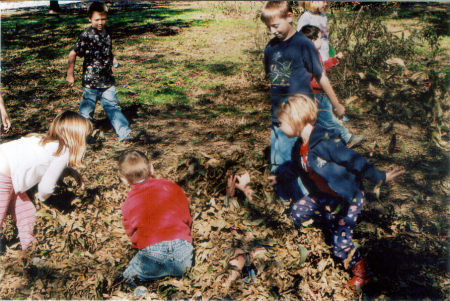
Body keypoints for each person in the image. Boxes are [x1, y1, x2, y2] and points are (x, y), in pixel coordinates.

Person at [268, 94, 404, 288]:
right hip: (325, 195)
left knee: (341, 242)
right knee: (298, 211)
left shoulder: (325, 142)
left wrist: (380, 176)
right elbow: (298, 167)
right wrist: (279, 177)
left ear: (295, 120)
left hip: (347, 197)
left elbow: (354, 160)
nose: (279, 127)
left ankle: (361, 273)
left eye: (282, 122)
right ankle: (322, 232)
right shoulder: (299, 147)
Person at [261, 1, 345, 204]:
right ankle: (284, 198)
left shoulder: (303, 44)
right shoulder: (270, 49)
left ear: (289, 17)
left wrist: (336, 103)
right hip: (279, 115)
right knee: (279, 159)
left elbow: (321, 75)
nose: (273, 31)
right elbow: (271, 78)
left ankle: (309, 199)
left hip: (301, 115)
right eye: (268, 27)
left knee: (300, 158)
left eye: (276, 25)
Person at [0, 111, 92, 254]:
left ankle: (30, 250)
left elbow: (43, 165)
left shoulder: (43, 140)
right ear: (76, 138)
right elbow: (46, 187)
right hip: (4, 176)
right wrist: (42, 198)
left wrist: (69, 171)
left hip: (7, 170)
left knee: (26, 212)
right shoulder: (64, 152)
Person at [118, 150, 193, 292]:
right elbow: (187, 217)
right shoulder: (171, 186)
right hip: (183, 253)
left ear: (124, 180)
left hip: (152, 255)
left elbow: (130, 232)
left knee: (126, 279)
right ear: (151, 168)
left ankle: (141, 294)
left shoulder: (129, 202)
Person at [66, 2, 134, 142]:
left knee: (113, 107)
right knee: (86, 112)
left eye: (103, 19)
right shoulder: (86, 35)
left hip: (107, 80)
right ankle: (81, 136)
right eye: (97, 19)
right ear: (90, 19)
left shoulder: (107, 32)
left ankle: (125, 133)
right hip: (91, 83)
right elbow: (72, 54)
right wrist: (70, 74)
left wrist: (113, 59)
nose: (101, 22)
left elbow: (107, 50)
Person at [300, 25, 363, 147]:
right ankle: (347, 138)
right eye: (319, 38)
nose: (322, 41)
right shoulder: (308, 57)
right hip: (316, 94)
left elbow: (321, 67)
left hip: (316, 93)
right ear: (311, 41)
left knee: (318, 120)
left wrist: (334, 60)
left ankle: (317, 142)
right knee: (328, 119)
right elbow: (306, 77)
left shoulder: (313, 54)